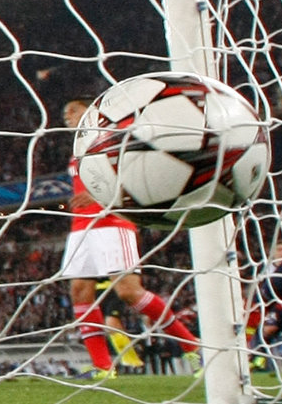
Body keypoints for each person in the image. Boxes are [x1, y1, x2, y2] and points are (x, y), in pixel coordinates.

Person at [61, 99, 202, 380]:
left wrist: (101, 193)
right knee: (79, 290)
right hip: (81, 227)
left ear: (92, 112)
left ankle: (192, 346)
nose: (67, 116)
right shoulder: (77, 150)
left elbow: (138, 174)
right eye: (65, 113)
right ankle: (103, 367)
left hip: (113, 223)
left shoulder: (113, 139)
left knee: (128, 291)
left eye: (73, 110)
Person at [247, 241, 282, 371]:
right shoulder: (264, 267)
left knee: (270, 329)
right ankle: (254, 358)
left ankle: (256, 358)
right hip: (267, 303)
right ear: (273, 252)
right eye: (280, 249)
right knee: (267, 329)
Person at [95, 278, 144, 370]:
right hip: (94, 290)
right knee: (98, 327)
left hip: (114, 287)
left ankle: (131, 359)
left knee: (111, 323)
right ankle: (103, 364)